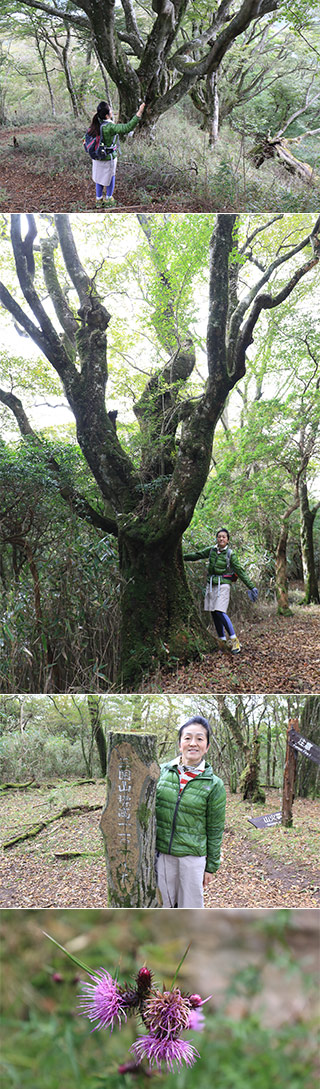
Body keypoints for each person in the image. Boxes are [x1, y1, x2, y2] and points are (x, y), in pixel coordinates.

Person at [155, 716, 226, 909]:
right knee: (162, 907)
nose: (193, 743)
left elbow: (215, 828)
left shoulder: (214, 784)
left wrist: (211, 866)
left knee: (190, 911)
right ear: (179, 744)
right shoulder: (160, 773)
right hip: (162, 855)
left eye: (200, 739)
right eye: (187, 738)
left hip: (192, 858)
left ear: (207, 746)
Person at [184, 526, 258, 654]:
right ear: (217, 539)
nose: (221, 538)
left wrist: (251, 587)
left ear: (228, 540)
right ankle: (222, 641)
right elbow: (197, 555)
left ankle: (234, 641)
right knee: (213, 612)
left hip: (223, 585)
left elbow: (240, 571)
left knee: (220, 611)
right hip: (211, 584)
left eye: (224, 537)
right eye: (219, 537)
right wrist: (181, 556)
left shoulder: (230, 554)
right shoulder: (212, 550)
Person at [86, 100, 146, 209]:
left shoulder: (96, 123)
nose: (112, 112)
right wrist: (139, 113)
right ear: (107, 115)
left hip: (97, 157)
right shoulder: (110, 127)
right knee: (110, 177)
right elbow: (127, 127)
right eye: (111, 110)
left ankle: (98, 199)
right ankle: (109, 198)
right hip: (108, 158)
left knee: (99, 178)